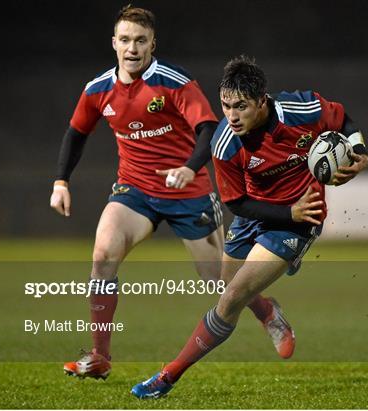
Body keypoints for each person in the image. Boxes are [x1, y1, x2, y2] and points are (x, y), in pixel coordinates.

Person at [50, 8, 288, 380]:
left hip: (188, 192)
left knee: (219, 279)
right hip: (135, 191)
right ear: (114, 43)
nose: (132, 48)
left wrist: (190, 168)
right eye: (125, 40)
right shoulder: (98, 89)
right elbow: (77, 132)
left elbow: (208, 128)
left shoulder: (173, 82)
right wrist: (61, 181)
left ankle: (267, 312)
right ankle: (100, 356)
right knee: (102, 256)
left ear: (152, 44)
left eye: (140, 40)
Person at [131, 55, 368, 398]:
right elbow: (236, 203)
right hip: (259, 213)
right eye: (226, 105)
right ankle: (269, 312)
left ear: (262, 101)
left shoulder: (300, 110)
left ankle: (166, 377)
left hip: (302, 217)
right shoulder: (225, 143)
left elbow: (342, 118)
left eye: (241, 106)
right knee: (225, 281)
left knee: (231, 298)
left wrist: (359, 150)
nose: (231, 115)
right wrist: (288, 212)